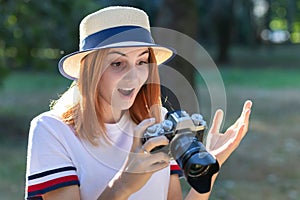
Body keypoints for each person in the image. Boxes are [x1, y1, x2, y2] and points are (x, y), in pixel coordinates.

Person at [25, 6, 252, 200]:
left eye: (142, 61)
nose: (134, 78)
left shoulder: (157, 121)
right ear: (89, 71)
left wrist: (209, 167)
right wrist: (123, 184)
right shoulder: (52, 130)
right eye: (117, 64)